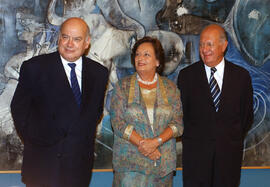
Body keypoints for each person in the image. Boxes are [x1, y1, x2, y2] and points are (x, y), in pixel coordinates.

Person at [10, 17, 108, 187]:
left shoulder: (99, 73)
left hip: (78, 168)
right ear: (59, 38)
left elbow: (96, 112)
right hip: (43, 164)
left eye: (76, 39)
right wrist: (38, 139)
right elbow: (19, 109)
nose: (70, 44)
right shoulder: (35, 68)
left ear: (87, 43)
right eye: (65, 37)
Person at [177, 24, 253, 187]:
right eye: (202, 44)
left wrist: (228, 138)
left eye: (209, 44)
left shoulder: (241, 77)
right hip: (196, 160)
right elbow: (181, 116)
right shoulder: (187, 76)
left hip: (229, 159)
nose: (204, 49)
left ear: (224, 45)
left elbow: (246, 117)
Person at [110, 36, 183, 187]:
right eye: (137, 54)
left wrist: (156, 142)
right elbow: (118, 123)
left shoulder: (170, 88)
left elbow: (178, 124)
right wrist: (146, 146)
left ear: (157, 62)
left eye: (146, 54)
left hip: (162, 165)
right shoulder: (122, 87)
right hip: (130, 167)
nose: (140, 58)